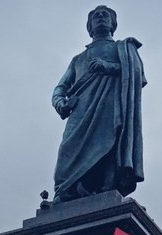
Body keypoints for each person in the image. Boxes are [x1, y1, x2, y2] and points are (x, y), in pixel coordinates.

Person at [51, 5, 145, 202]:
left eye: (105, 15)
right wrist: (61, 103)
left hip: (109, 107)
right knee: (66, 151)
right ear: (90, 27)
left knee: (108, 143)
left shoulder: (123, 48)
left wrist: (108, 67)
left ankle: (106, 186)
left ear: (113, 24)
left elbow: (138, 76)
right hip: (80, 111)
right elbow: (60, 87)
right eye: (96, 16)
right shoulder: (78, 59)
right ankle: (65, 190)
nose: (101, 17)